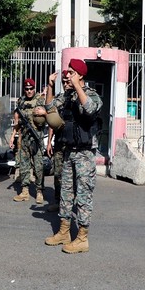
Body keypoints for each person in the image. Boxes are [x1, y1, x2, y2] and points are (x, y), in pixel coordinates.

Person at [41, 59, 102, 253]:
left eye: (71, 72)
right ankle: (64, 232)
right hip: (68, 152)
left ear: (81, 75)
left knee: (83, 196)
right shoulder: (66, 96)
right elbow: (50, 107)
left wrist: (77, 86)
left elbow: (90, 109)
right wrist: (50, 85)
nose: (67, 75)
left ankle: (82, 238)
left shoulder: (92, 95)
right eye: (67, 72)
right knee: (66, 195)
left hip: (84, 155)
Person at [10, 77, 46, 204]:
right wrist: (13, 135)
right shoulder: (21, 101)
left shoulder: (40, 100)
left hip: (36, 138)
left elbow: (47, 116)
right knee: (24, 166)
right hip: (24, 137)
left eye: (31, 89)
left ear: (34, 88)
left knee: (38, 166)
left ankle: (39, 191)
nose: (29, 91)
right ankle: (25, 191)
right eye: (27, 89)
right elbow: (17, 117)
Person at [45, 70, 71, 212]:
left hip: (73, 145)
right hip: (60, 142)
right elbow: (51, 117)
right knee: (58, 173)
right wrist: (49, 142)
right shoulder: (61, 98)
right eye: (64, 82)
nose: (66, 84)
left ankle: (71, 204)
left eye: (68, 81)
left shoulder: (78, 97)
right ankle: (58, 201)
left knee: (72, 177)